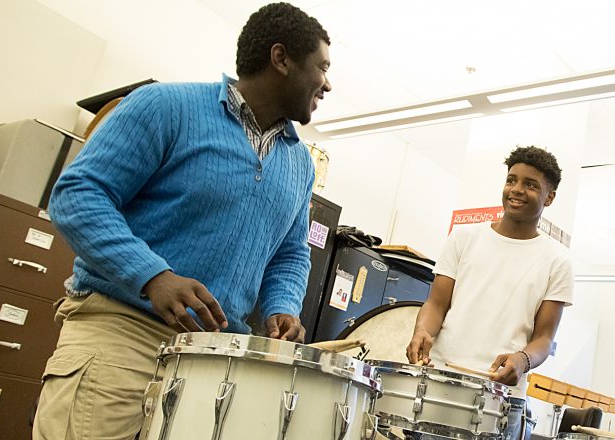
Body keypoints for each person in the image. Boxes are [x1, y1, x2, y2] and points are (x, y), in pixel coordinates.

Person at [32, 3, 332, 439]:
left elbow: (289, 254)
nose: (328, 83)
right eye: (322, 67)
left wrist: (282, 306)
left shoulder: (300, 165)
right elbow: (78, 195)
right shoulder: (165, 107)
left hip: (210, 361)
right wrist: (152, 275)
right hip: (123, 334)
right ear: (281, 59)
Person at [406, 146, 573, 440]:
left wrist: (522, 359)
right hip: (440, 383)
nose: (516, 190)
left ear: (549, 197)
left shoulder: (556, 261)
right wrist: (422, 330)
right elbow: (436, 304)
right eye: (512, 180)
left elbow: (545, 338)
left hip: (501, 397)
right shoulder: (463, 239)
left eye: (530, 184)